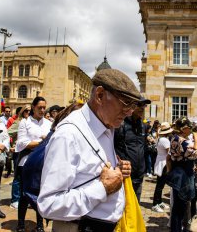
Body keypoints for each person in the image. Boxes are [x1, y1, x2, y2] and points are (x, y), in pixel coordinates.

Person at [38, 68, 137, 232]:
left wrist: (118, 171)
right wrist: (103, 188)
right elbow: (49, 204)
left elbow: (91, 173)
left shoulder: (108, 127)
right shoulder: (68, 135)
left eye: (132, 105)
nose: (130, 112)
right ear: (100, 96)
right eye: (126, 104)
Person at [15, 97, 51, 232]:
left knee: (40, 194)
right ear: (33, 107)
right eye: (39, 107)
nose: (42, 110)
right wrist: (42, 142)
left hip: (43, 163)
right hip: (27, 163)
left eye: (44, 107)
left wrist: (41, 142)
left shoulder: (48, 123)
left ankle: (40, 224)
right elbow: (22, 143)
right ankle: (21, 224)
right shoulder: (25, 123)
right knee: (24, 194)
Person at [167, 117, 197, 232]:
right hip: (183, 175)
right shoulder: (182, 141)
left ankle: (177, 228)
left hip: (179, 173)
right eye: (189, 128)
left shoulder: (175, 138)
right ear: (184, 129)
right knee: (179, 207)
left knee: (178, 207)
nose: (191, 130)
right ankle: (177, 229)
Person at [114, 96, 151, 202]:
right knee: (123, 206)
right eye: (139, 105)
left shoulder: (143, 126)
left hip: (139, 173)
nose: (142, 108)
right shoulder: (121, 124)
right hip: (125, 174)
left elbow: (143, 147)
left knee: (136, 204)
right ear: (132, 106)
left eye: (144, 105)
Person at [8, 105, 31, 209]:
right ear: (22, 112)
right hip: (19, 152)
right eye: (26, 110)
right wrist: (12, 145)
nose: (28, 112)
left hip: (29, 152)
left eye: (30, 111)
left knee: (26, 176)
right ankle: (15, 200)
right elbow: (6, 133)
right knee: (17, 177)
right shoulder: (18, 122)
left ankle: (24, 198)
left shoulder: (31, 122)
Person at [151, 122, 173, 213]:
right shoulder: (165, 140)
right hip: (164, 163)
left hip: (161, 162)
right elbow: (170, 153)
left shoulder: (161, 139)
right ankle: (155, 204)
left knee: (161, 185)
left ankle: (159, 202)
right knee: (160, 185)